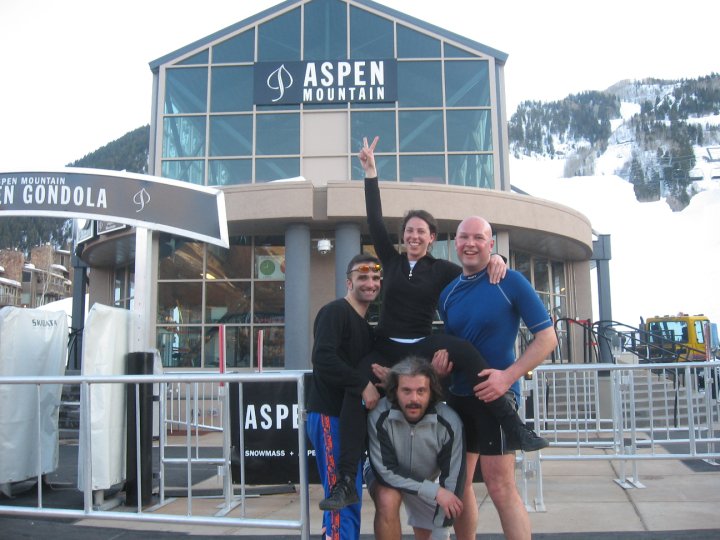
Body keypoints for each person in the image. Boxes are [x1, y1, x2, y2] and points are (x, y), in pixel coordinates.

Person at [435, 215, 559, 540]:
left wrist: (508, 377)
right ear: (455, 243)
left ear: (491, 244)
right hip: (458, 399)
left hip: (497, 398)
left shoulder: (511, 282)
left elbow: (547, 339)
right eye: (464, 237)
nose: (471, 244)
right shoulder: (447, 295)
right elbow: (456, 347)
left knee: (500, 485)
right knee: (458, 487)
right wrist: (441, 369)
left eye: (479, 238)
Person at [306, 253, 383, 539]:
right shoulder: (335, 312)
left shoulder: (365, 326)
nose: (370, 282)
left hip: (348, 421)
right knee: (342, 499)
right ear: (348, 281)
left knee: (348, 497)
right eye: (363, 277)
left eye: (375, 278)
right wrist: (362, 384)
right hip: (329, 415)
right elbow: (322, 357)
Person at [366, 356, 466, 540]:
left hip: (426, 477)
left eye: (421, 391)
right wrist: (435, 491)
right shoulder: (379, 414)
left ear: (431, 391)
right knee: (387, 498)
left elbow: (452, 483)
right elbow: (386, 472)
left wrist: (441, 530)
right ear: (395, 391)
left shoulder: (449, 422)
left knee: (437, 528)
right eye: (406, 391)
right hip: (386, 475)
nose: (414, 398)